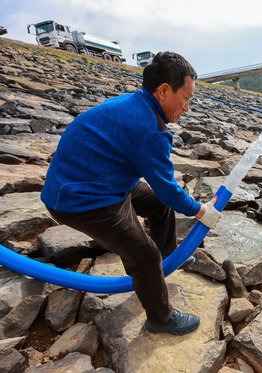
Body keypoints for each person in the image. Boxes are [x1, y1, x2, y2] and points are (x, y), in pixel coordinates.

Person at [40, 52, 222, 336]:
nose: (187, 107)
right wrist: (201, 210)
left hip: (96, 179)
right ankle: (160, 319)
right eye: (186, 98)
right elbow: (167, 187)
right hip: (81, 199)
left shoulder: (136, 103)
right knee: (145, 255)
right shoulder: (147, 128)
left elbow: (162, 192)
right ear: (163, 91)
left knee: (158, 205)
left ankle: (168, 254)